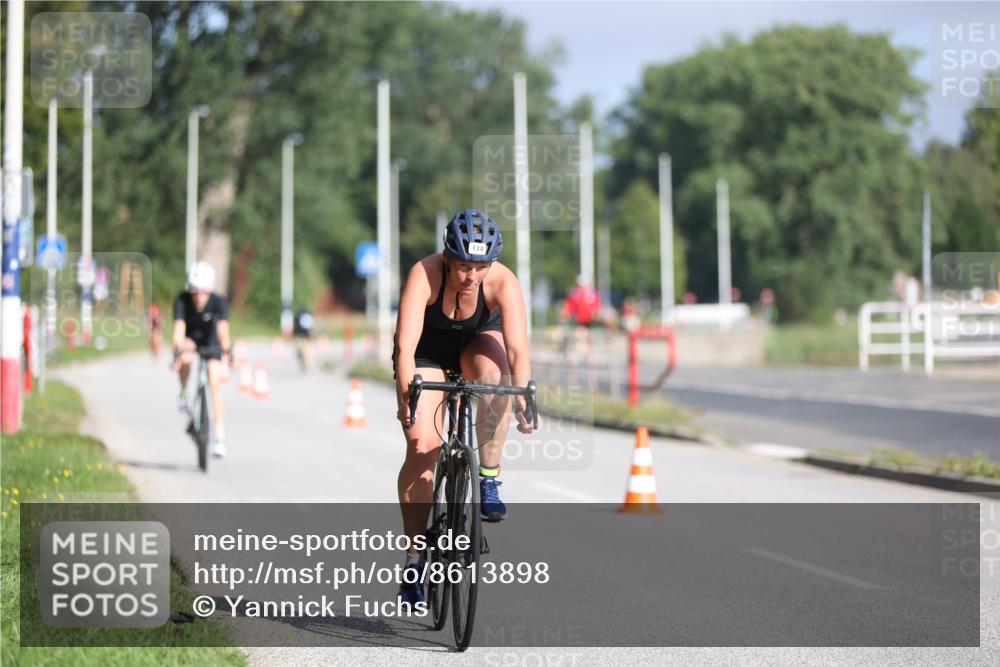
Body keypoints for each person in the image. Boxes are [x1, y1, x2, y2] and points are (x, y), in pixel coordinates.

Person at [392, 209, 536, 604]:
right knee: (422, 448)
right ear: (447, 257)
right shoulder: (425, 274)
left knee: (496, 379)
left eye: (480, 267)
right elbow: (405, 348)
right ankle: (415, 560)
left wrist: (523, 396)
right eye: (462, 267)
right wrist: (408, 400)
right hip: (427, 352)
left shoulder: (503, 282)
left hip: (476, 344)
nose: (471, 276)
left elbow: (518, 350)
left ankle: (488, 478)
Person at [170, 262, 232, 457]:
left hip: (210, 339)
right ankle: (183, 391)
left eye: (203, 293)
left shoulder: (218, 301)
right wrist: (177, 352)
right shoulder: (182, 300)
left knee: (214, 381)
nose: (198, 297)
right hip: (190, 338)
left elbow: (223, 331)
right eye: (194, 293)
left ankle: (219, 437)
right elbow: (178, 331)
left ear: (210, 291)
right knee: (186, 359)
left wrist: (227, 351)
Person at [292, 307, 315, 372]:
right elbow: (311, 328)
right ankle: (306, 362)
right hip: (306, 337)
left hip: (299, 336)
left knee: (299, 350)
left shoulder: (297, 317)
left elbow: (294, 328)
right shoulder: (308, 317)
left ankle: (302, 358)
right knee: (307, 350)